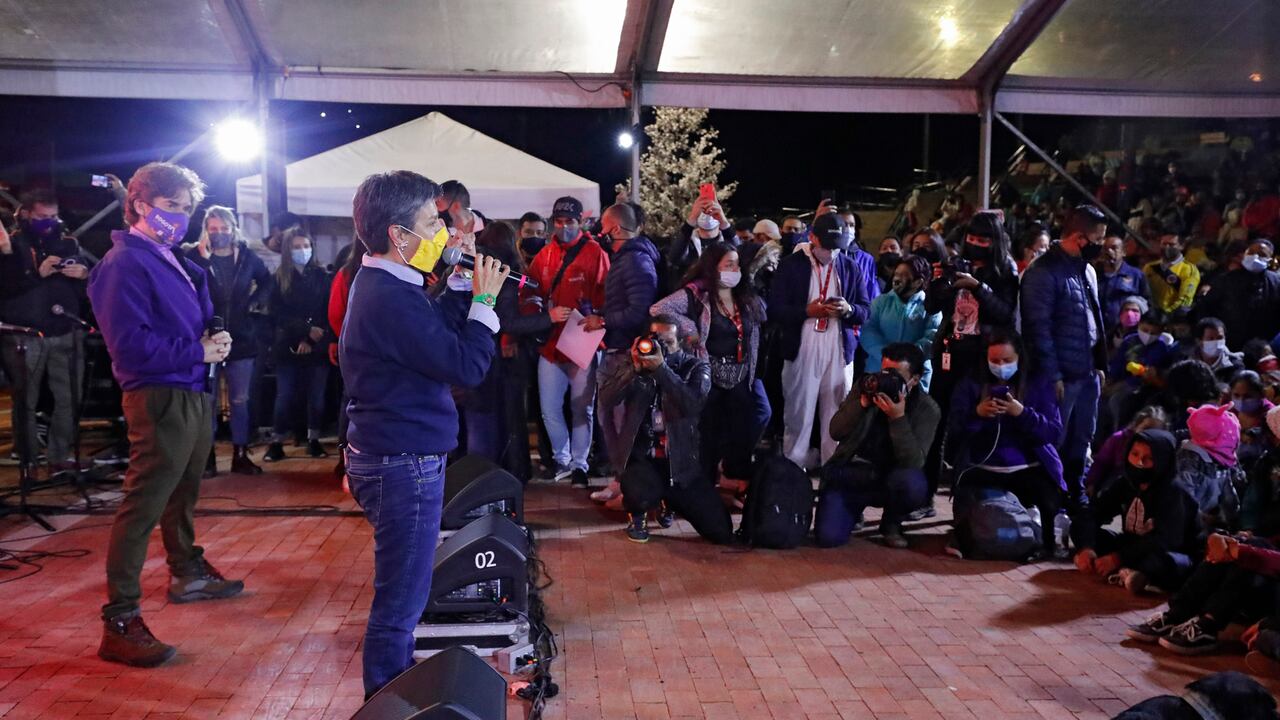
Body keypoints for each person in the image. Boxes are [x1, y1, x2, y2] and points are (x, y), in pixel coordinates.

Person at [340, 170, 509, 697]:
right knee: (400, 605)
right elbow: (462, 364)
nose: (445, 231)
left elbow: (430, 335)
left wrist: (460, 286)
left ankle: (391, 693)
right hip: (401, 462)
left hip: (396, 454)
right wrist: (484, 304)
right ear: (399, 234)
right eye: (433, 221)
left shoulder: (389, 284)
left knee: (403, 593)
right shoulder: (388, 297)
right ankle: (384, 699)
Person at [88, 162, 242, 667]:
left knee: (182, 489)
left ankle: (186, 569)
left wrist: (209, 346)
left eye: (186, 208)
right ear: (138, 204)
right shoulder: (125, 264)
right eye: (170, 206)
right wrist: (196, 352)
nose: (179, 216)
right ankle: (121, 618)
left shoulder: (166, 258)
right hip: (161, 392)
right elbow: (129, 346)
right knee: (145, 502)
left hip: (188, 389)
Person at [597, 314, 732, 545]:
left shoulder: (696, 367)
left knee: (721, 531)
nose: (662, 349)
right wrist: (632, 368)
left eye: (668, 343)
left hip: (682, 466)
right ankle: (638, 513)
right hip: (645, 462)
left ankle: (669, 503)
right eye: (657, 341)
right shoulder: (637, 365)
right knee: (639, 490)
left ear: (681, 344)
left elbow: (692, 403)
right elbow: (606, 399)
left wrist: (661, 370)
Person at [651, 242, 770, 487]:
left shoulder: (745, 296)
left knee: (741, 432)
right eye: (728, 264)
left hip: (740, 374)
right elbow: (658, 308)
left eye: (737, 264)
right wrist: (689, 328)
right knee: (708, 435)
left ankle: (733, 480)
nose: (734, 269)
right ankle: (703, 490)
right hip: (709, 375)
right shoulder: (696, 294)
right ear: (713, 267)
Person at [923, 212, 1020, 505]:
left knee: (974, 422)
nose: (976, 244)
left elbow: (1005, 314)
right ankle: (925, 495)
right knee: (936, 421)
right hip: (949, 352)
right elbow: (931, 306)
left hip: (982, 356)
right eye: (972, 238)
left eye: (983, 240)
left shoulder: (1004, 271)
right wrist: (941, 280)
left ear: (995, 242)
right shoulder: (956, 264)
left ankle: (970, 495)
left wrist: (977, 287)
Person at [1020, 204, 1109, 511]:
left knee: (1082, 440)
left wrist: (1099, 365)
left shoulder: (1086, 270)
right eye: (1097, 238)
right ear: (1078, 237)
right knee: (1052, 442)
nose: (1101, 246)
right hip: (1058, 377)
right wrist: (1053, 374)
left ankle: (1075, 495)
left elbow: (1093, 320)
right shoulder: (1042, 272)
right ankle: (1046, 499)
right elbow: (1038, 328)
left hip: (1086, 374)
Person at [948, 330, 1064, 559]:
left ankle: (1045, 543)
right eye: (995, 361)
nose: (1001, 366)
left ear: (1019, 358)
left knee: (1048, 498)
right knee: (968, 509)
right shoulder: (971, 384)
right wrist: (977, 414)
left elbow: (1053, 431)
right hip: (983, 467)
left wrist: (1022, 413)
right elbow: (954, 429)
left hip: (1027, 467)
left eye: (1007, 361)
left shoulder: (1038, 383)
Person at [769, 213, 871, 470]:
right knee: (798, 414)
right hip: (803, 345)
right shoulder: (792, 265)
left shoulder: (849, 265)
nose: (830, 252)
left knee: (837, 416)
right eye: (826, 245)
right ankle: (793, 473)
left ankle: (833, 474)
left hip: (838, 347)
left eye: (836, 247)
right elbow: (775, 310)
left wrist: (848, 310)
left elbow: (866, 309)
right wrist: (806, 311)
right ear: (812, 238)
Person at [0, 189, 91, 473]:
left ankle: (59, 455)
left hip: (65, 330)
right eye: (41, 217)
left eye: (53, 216)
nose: (48, 222)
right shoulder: (11, 246)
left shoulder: (67, 243)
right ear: (25, 214)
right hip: (26, 334)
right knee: (25, 398)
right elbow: (5, 287)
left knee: (69, 397)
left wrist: (83, 274)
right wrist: (35, 274)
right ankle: (27, 457)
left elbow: (84, 288)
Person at [816, 342, 941, 548]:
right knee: (828, 537)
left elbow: (914, 461)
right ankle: (852, 512)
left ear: (915, 380)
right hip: (853, 473)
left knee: (913, 484)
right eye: (885, 371)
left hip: (891, 479)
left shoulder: (927, 409)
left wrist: (897, 419)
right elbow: (835, 431)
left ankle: (892, 522)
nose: (886, 378)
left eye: (896, 375)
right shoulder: (867, 386)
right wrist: (862, 404)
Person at [526, 196, 609, 486]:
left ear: (580, 222)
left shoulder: (595, 253)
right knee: (549, 408)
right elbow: (529, 292)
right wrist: (544, 314)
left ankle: (580, 464)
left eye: (569, 222)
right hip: (550, 344)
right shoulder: (545, 255)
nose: (564, 227)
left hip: (583, 342)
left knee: (581, 407)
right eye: (559, 222)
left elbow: (607, 294)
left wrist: (598, 316)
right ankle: (562, 460)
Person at [188, 206, 272, 475]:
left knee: (240, 399)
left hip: (241, 337)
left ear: (233, 228)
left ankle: (240, 454)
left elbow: (268, 282)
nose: (219, 234)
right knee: (207, 401)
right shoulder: (194, 255)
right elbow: (186, 282)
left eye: (224, 229)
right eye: (214, 229)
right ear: (206, 230)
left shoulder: (247, 257)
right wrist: (202, 258)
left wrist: (254, 303)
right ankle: (207, 456)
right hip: (205, 337)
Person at [1072, 429, 1199, 594]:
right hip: (1134, 546)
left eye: (1148, 459)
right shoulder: (1125, 483)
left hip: (1171, 551)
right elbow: (1093, 512)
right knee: (1080, 527)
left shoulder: (1174, 492)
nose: (1139, 463)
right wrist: (1086, 547)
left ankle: (1136, 575)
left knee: (1165, 563)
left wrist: (1118, 557)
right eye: (1135, 454)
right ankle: (1125, 571)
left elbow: (1167, 540)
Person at [593, 203, 660, 502]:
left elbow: (639, 310)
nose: (600, 233)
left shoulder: (635, 261)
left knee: (623, 425)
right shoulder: (628, 258)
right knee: (612, 421)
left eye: (603, 228)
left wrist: (604, 320)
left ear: (616, 229)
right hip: (619, 350)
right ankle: (622, 482)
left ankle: (629, 487)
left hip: (626, 355)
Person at [263, 228, 332, 462]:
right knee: (284, 397)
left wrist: (313, 338)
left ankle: (314, 440)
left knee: (317, 398)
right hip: (287, 347)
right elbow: (276, 314)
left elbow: (327, 311)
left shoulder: (323, 277)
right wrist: (302, 334)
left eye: (306, 246)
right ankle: (277, 441)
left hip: (318, 347)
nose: (302, 251)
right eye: (296, 247)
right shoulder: (278, 279)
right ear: (287, 250)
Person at [860, 255, 940, 391]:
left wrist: (907, 359)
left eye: (904, 275)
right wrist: (887, 357)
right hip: (878, 369)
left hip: (915, 376)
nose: (897, 279)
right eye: (896, 274)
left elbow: (933, 336)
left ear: (918, 281)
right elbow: (868, 330)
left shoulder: (931, 306)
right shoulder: (881, 302)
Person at [1196, 240, 1280, 352]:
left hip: (1264, 346)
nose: (1255, 256)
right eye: (1251, 252)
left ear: (1269, 259)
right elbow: (1207, 308)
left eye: (1261, 254)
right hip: (1229, 343)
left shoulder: (1276, 283)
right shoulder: (1225, 280)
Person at [1086, 405, 1168, 497]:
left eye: (1155, 431)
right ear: (1136, 426)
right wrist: (1092, 483)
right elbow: (1102, 462)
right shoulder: (1119, 439)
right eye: (1146, 428)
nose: (1150, 434)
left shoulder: (1163, 449)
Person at [667, 195, 730, 288]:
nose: (707, 213)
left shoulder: (726, 244)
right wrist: (691, 219)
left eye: (712, 207)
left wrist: (724, 223)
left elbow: (740, 255)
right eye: (703, 209)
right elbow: (674, 257)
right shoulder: (687, 243)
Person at [1096, 234, 1151, 337]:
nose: (1109, 251)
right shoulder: (1093, 274)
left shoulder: (1136, 275)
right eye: (1105, 248)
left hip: (1124, 333)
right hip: (1096, 332)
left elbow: (1147, 303)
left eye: (1114, 248)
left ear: (1124, 252)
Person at [1144, 232, 1200, 314]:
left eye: (1171, 244)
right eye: (1164, 244)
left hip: (1171, 317)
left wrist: (1166, 314)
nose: (1167, 247)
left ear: (1181, 246)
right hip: (1148, 313)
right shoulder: (1149, 267)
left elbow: (1184, 300)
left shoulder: (1189, 270)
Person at [1184, 317, 1244, 384]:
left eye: (1220, 338)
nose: (1216, 342)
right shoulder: (1186, 365)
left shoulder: (1234, 365)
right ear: (1199, 341)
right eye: (1211, 338)